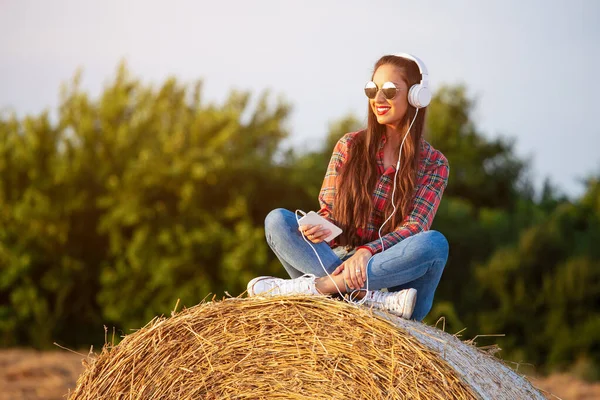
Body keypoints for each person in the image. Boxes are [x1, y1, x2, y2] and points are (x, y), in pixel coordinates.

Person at [247, 54, 449, 321]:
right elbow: (330, 210)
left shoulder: (434, 164)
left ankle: (322, 288)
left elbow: (415, 227)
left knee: (435, 243)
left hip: (395, 281)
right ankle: (365, 298)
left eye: (389, 91)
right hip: (338, 260)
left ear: (416, 96)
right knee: (278, 221)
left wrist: (368, 252)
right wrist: (320, 226)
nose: (378, 99)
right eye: (372, 89)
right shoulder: (348, 146)